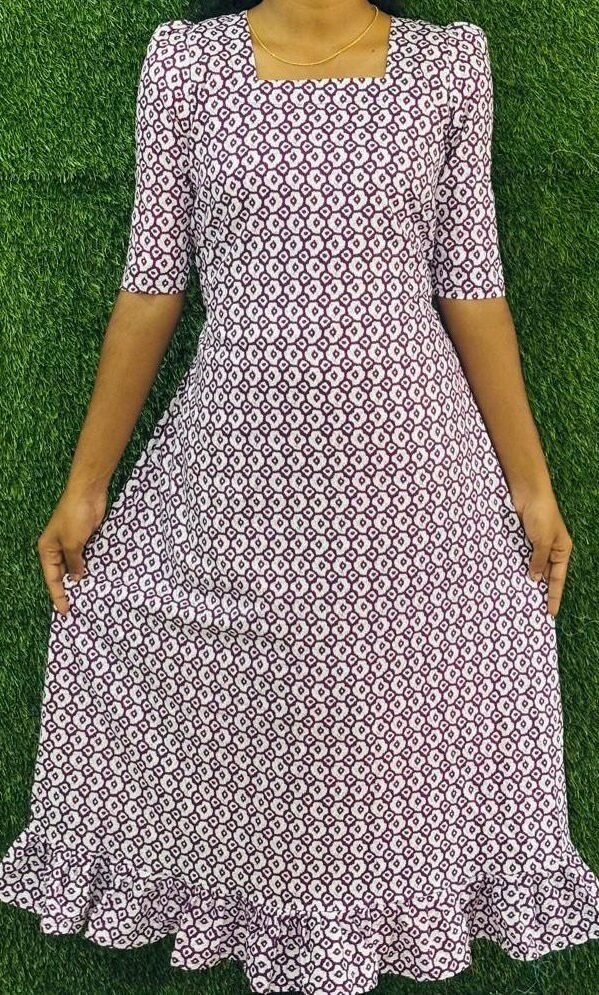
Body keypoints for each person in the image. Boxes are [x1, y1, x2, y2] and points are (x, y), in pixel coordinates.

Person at [2, 2, 599, 992]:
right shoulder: (185, 65)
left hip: (415, 480)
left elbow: (471, 281)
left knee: (390, 719)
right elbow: (151, 285)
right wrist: (85, 484)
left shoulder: (448, 65)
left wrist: (529, 482)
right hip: (232, 479)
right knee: (246, 712)